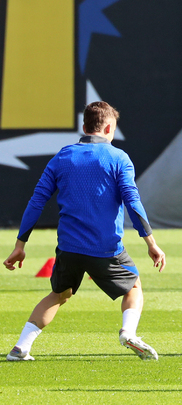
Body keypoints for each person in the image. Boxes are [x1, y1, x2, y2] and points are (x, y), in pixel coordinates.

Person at [3, 101, 166, 361]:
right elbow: (132, 202)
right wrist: (151, 242)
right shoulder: (118, 158)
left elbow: (36, 201)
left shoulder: (62, 157)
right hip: (106, 248)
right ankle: (128, 332)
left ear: (84, 127)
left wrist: (20, 244)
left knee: (59, 294)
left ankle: (21, 347)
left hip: (68, 249)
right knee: (133, 286)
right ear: (109, 127)